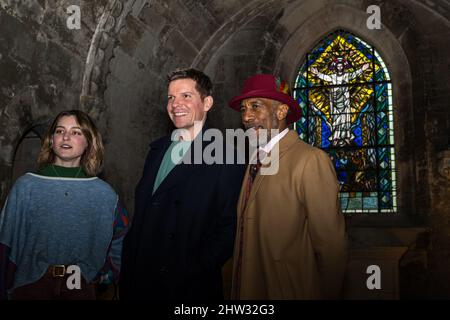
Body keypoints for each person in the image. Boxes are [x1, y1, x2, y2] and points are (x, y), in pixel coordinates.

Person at [120, 68, 245, 300]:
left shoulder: (227, 157)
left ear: (207, 103)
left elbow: (230, 228)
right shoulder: (155, 152)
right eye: (171, 97)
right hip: (140, 281)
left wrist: (195, 268)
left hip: (187, 288)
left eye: (186, 96)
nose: (175, 104)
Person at [228, 74, 348, 299]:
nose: (246, 116)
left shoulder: (310, 160)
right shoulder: (256, 159)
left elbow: (331, 247)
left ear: (281, 112)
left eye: (255, 106)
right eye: (243, 109)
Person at [0, 110, 129, 300]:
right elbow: (5, 242)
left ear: (88, 142)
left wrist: (104, 277)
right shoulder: (26, 186)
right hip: (31, 284)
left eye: (76, 132)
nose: (66, 136)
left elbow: (121, 237)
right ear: (51, 141)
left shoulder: (105, 194)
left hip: (79, 285)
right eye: (60, 131)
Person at [311, 57, 370, 146]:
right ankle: (336, 137)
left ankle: (346, 136)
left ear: (343, 67)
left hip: (345, 102)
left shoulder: (346, 75)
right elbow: (325, 77)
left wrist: (362, 69)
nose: (339, 68)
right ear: (336, 68)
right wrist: (317, 73)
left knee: (345, 119)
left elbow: (354, 74)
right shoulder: (332, 77)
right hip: (335, 102)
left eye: (341, 66)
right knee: (336, 120)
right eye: (338, 66)